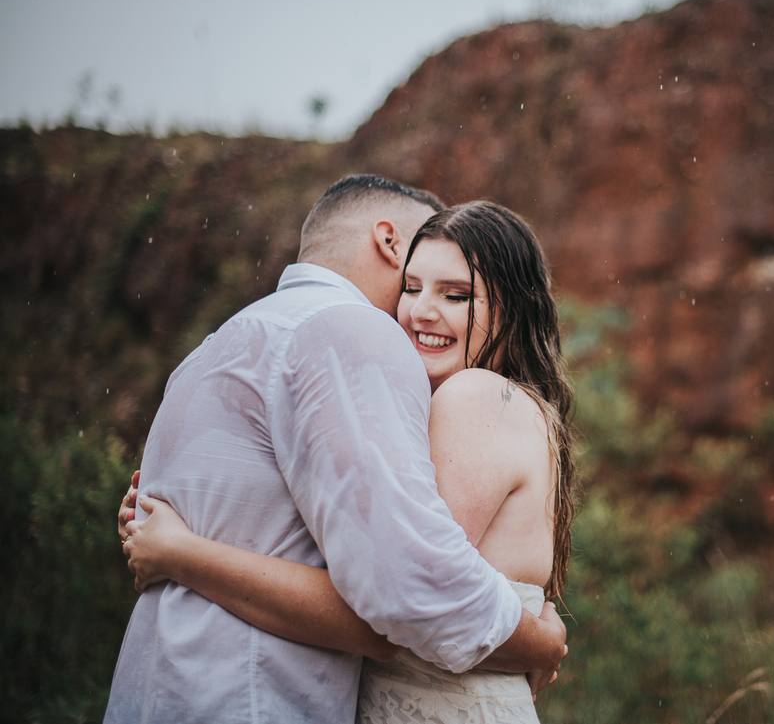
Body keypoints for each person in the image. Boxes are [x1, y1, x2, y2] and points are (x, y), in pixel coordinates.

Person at [106, 179, 566, 723]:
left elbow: (406, 592)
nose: (416, 311)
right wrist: (538, 641)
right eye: (412, 286)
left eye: (456, 293)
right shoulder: (346, 335)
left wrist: (176, 551)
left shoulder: (221, 345)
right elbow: (405, 588)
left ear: (511, 309)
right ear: (391, 244)